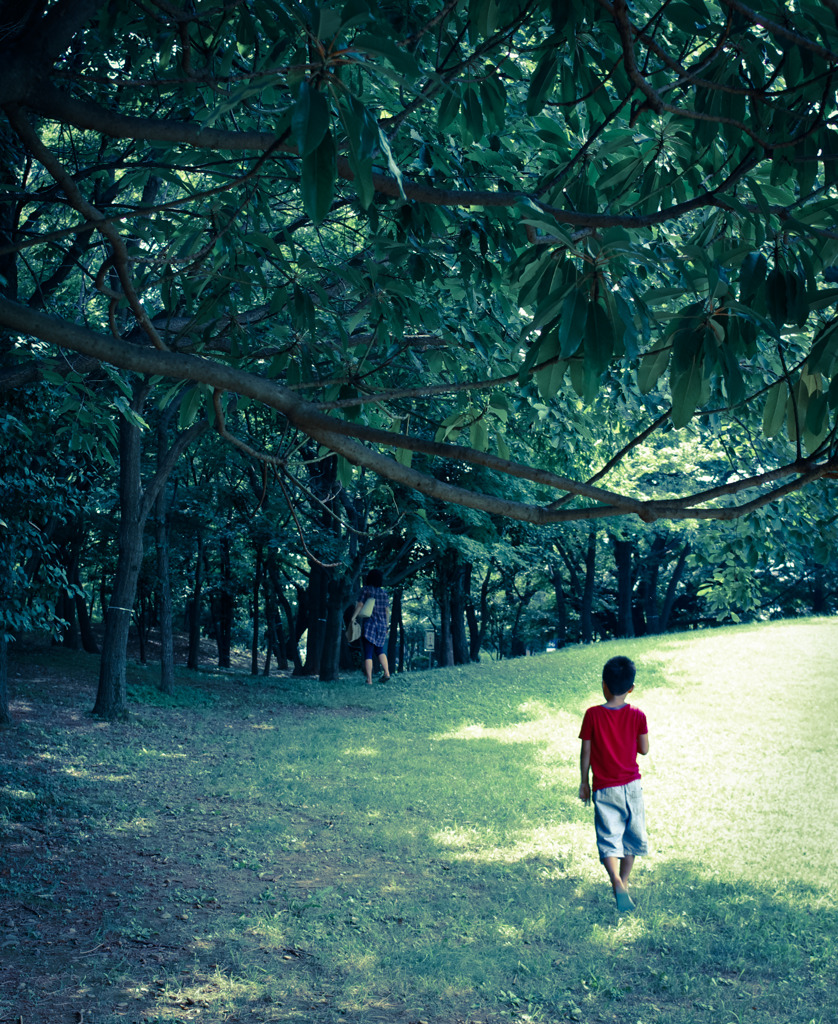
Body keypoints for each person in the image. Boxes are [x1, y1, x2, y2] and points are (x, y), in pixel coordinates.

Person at [578, 655, 649, 911]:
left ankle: (616, 881)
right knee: (631, 836)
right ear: (631, 688)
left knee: (609, 838)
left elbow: (585, 752)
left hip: (604, 788)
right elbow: (644, 750)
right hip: (631, 786)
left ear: (604, 684)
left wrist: (584, 782)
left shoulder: (592, 715)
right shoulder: (638, 715)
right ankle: (626, 882)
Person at [350, 569, 390, 685]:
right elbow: (387, 611)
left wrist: (353, 617)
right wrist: (387, 626)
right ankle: (387, 673)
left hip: (370, 625)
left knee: (368, 653)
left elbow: (360, 605)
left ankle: (369, 680)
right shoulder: (384, 593)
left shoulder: (366, 590)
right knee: (380, 650)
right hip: (382, 626)